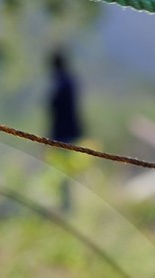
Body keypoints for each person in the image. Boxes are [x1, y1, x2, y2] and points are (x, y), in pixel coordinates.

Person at [48, 51, 85, 211]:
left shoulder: (63, 83)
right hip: (65, 131)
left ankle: (66, 205)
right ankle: (64, 204)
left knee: (62, 169)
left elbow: (57, 109)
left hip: (64, 132)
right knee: (61, 169)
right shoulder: (66, 81)